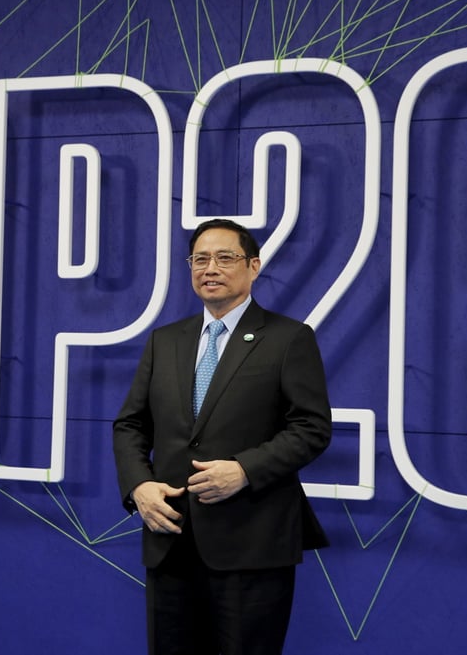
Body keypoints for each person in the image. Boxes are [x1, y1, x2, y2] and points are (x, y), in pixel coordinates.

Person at [113, 218, 333, 655]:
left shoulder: (289, 339)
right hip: (170, 540)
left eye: (225, 257)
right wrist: (139, 486)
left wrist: (245, 470)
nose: (210, 268)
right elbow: (131, 425)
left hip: (251, 542)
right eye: (200, 259)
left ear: (254, 266)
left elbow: (312, 427)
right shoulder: (165, 341)